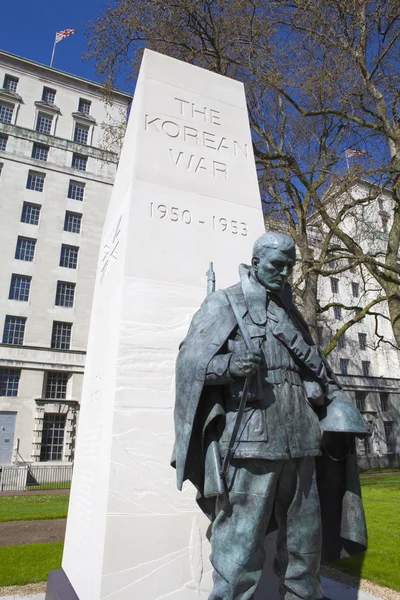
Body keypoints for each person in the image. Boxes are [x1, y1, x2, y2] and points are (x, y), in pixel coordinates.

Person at [172, 231, 368, 600]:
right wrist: (230, 364)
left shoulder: (291, 313)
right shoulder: (224, 303)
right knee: (239, 548)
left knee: (304, 543)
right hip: (250, 443)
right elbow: (190, 364)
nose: (285, 273)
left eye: (291, 266)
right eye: (278, 265)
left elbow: (318, 370)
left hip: (302, 440)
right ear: (257, 261)